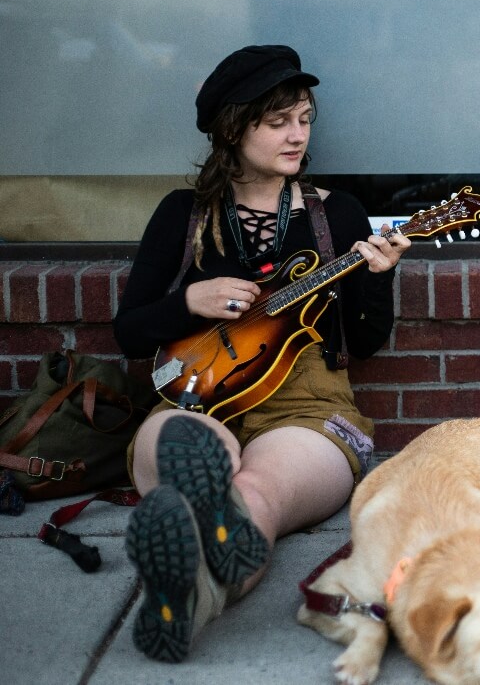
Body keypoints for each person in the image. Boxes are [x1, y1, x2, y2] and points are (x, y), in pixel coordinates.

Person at [113, 44, 411, 662]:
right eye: (278, 121)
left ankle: (182, 601)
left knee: (258, 494)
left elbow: (367, 343)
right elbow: (131, 333)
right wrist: (188, 300)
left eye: (304, 118)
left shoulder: (338, 215)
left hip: (306, 406)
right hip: (197, 393)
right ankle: (195, 567)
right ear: (233, 126)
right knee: (194, 458)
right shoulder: (184, 215)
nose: (297, 134)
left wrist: (377, 274)